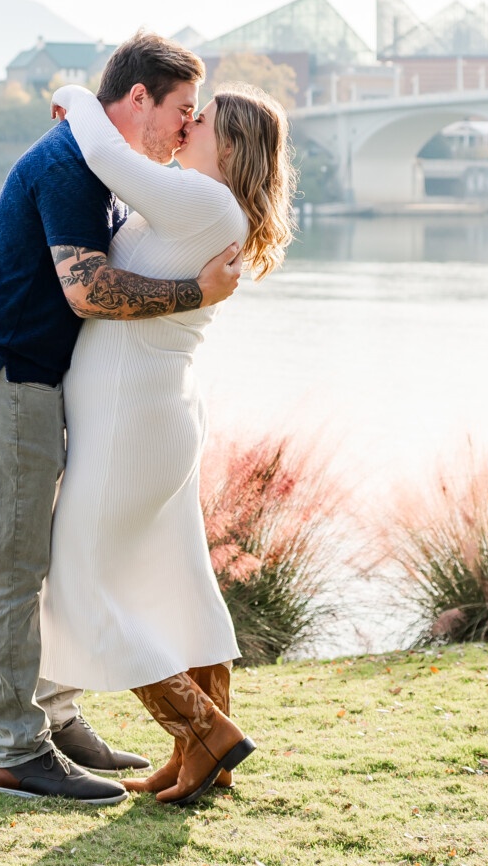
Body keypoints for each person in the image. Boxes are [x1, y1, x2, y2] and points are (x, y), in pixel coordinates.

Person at [0, 33, 244, 805]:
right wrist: (196, 294)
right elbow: (89, 290)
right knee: (13, 566)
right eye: (180, 109)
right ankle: (18, 749)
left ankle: (59, 718)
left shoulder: (107, 170)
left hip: (42, 387)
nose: (185, 124)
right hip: (5, 381)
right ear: (138, 98)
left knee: (51, 560)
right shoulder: (72, 165)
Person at [40, 77, 297, 805]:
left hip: (134, 422)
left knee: (80, 585)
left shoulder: (207, 201)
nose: (188, 122)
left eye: (202, 117)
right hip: (150, 416)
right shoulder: (204, 203)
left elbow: (104, 153)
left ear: (233, 141)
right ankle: (198, 754)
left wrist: (73, 93)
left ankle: (206, 728)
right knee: (181, 584)